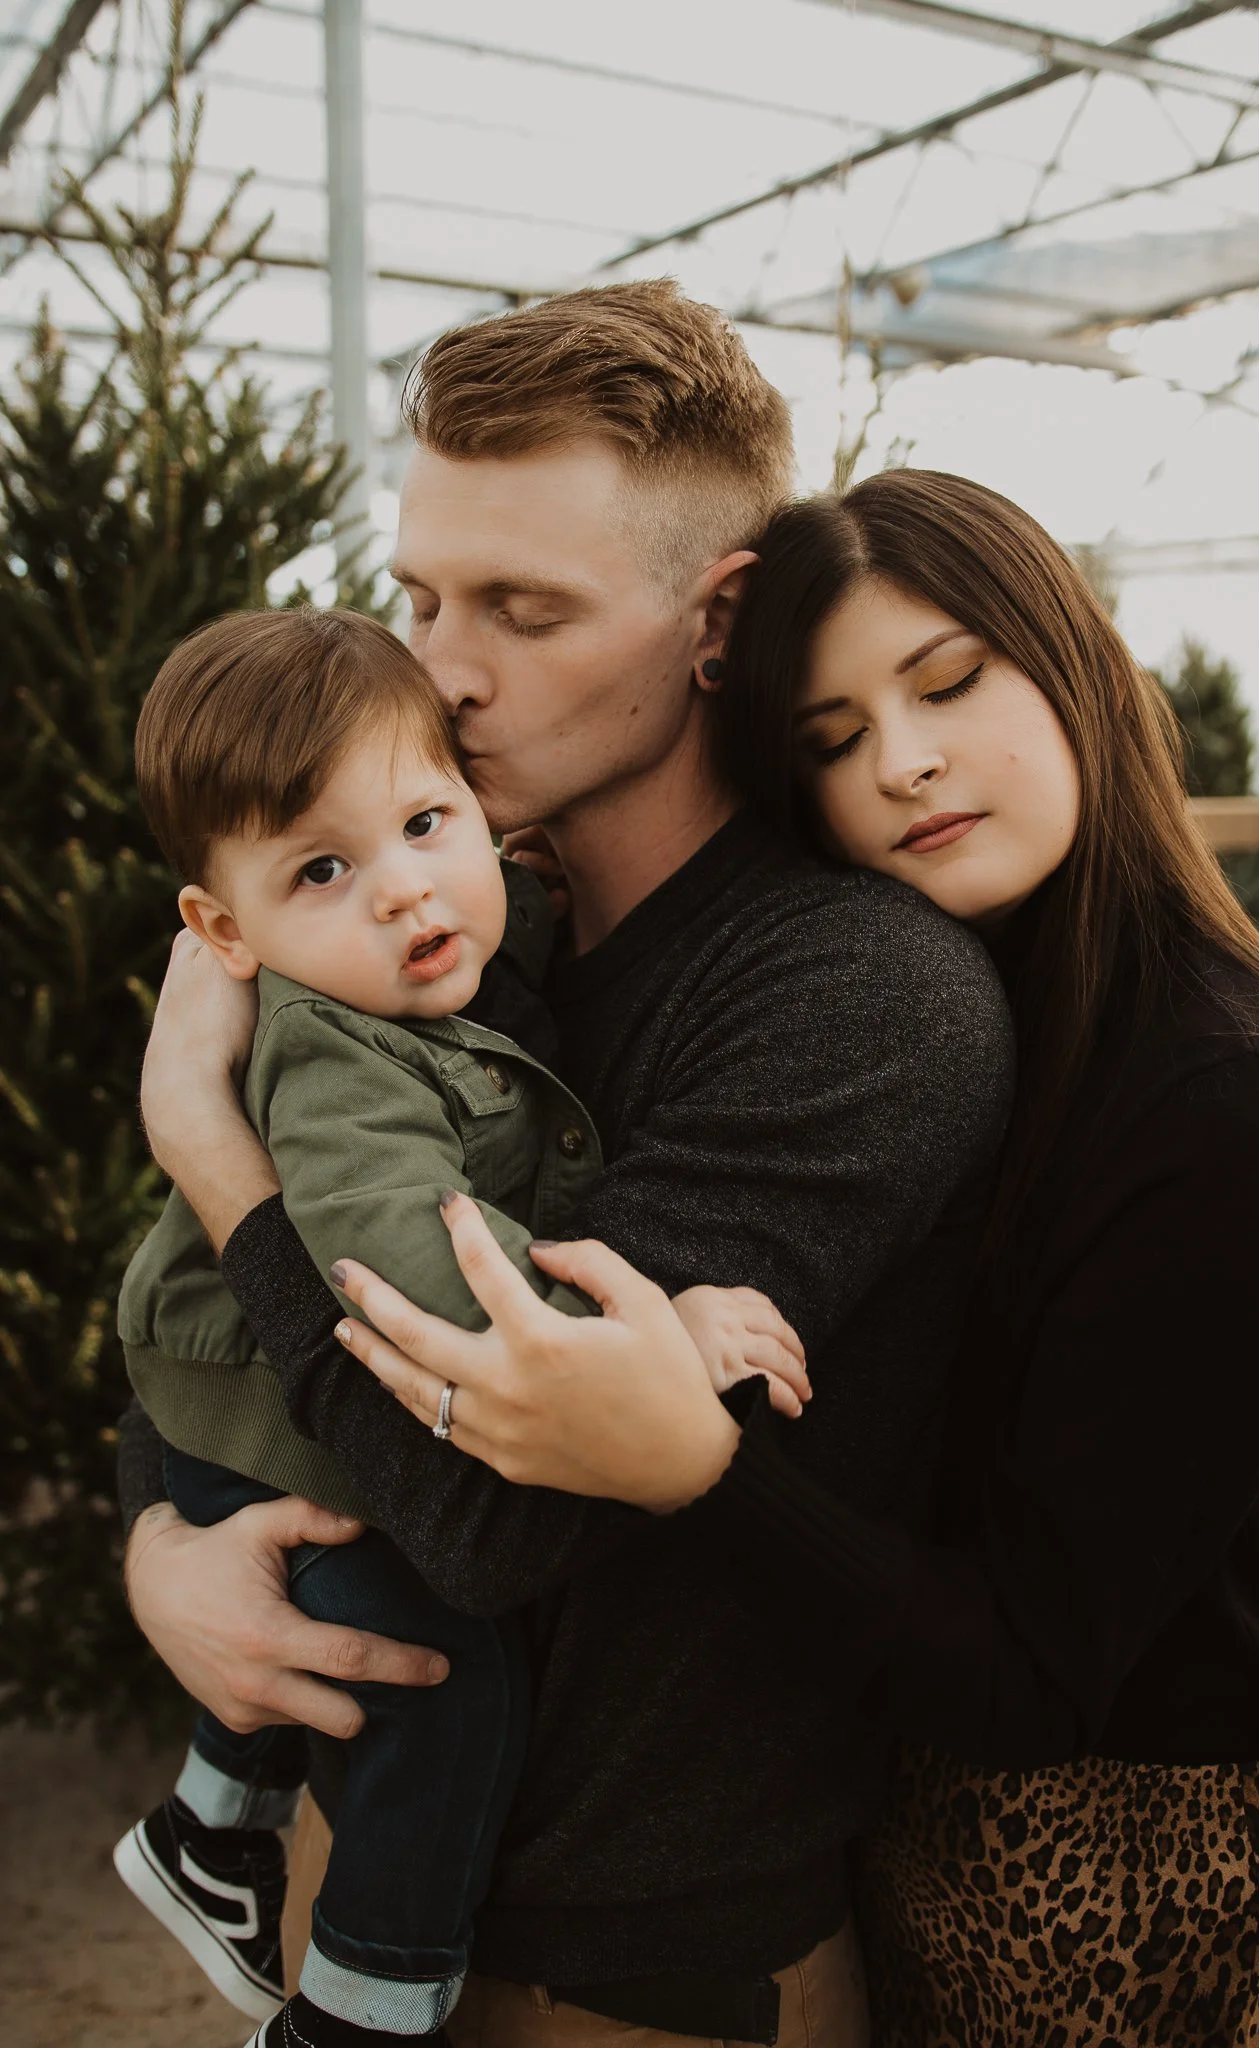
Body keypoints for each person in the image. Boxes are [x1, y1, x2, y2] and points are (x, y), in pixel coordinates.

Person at [342, 471, 1259, 2048]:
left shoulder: (1238, 1105)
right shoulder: (1011, 991)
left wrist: (697, 1467)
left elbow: (1033, 1676)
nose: (901, 763)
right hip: (899, 1843)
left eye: (950, 683)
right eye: (831, 738)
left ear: (1077, 661)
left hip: (1111, 1894)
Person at [118, 287, 1015, 2046]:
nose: (445, 670)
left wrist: (217, 1157)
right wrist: (164, 1541)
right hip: (375, 1873)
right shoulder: (448, 933)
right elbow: (209, 1325)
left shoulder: (857, 996)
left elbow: (488, 1510)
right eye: (422, 598)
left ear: (718, 621)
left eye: (524, 611)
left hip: (642, 1978)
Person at [115, 605, 805, 2048]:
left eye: (426, 823)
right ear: (225, 934)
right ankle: (356, 2012)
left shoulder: (457, 938)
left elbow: (488, 921)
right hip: (253, 1415)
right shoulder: (330, 1054)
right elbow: (418, 1262)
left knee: (335, 1626)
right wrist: (644, 1340)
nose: (401, 892)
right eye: (321, 870)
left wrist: (518, 889)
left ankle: (209, 1830)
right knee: (440, 1682)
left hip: (230, 1390)